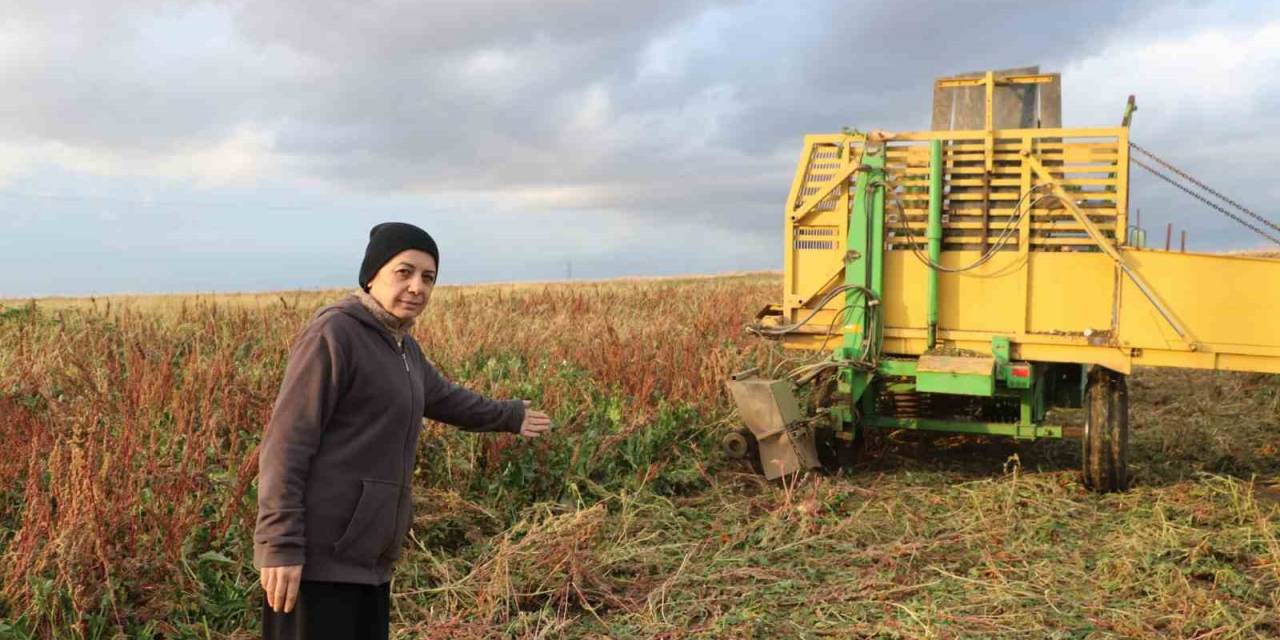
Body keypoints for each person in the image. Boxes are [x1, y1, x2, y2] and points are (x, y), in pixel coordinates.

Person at [253, 222, 552, 640]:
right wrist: (279, 544)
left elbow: (445, 398)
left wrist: (509, 415)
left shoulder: (403, 347)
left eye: (428, 278)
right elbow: (287, 443)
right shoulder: (335, 334)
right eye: (404, 272)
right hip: (318, 558)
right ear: (372, 275)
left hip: (368, 557)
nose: (417, 287)